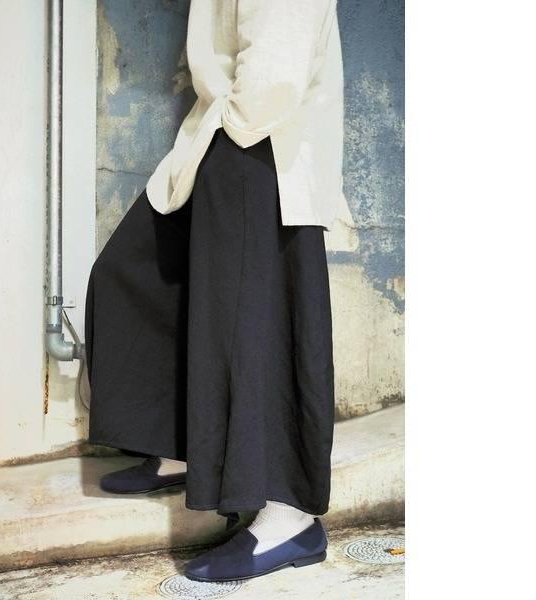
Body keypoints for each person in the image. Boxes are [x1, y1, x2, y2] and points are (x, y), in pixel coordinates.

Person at [84, 0, 347, 582]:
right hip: (219, 139)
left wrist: (235, 132)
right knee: (139, 276)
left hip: (260, 148)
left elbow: (277, 66)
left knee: (255, 335)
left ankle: (290, 519)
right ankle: (183, 442)